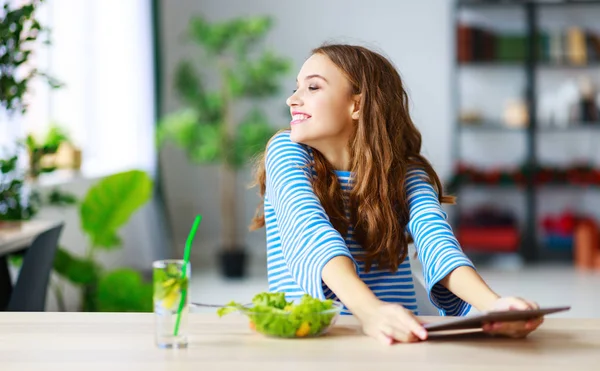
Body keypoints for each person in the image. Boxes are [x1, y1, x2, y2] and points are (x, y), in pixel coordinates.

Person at [249, 43, 543, 345]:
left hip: (395, 337)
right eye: (296, 87)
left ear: (357, 105)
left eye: (312, 87)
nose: (292, 100)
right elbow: (311, 233)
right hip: (313, 338)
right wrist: (371, 312)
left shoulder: (405, 173)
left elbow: (437, 243)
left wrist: (493, 306)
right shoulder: (285, 153)